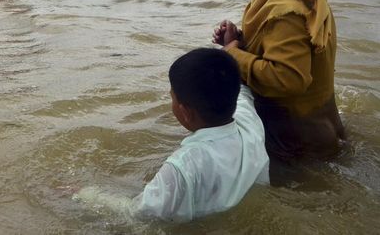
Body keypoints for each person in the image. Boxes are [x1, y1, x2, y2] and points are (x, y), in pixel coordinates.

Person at [212, 0, 346, 171]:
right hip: (323, 131)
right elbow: (299, 57)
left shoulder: (285, 12)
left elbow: (287, 79)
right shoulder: (312, 1)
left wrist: (232, 54)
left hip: (296, 144)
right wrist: (241, 41)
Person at [76, 48, 269, 222]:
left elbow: (139, 213)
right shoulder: (249, 121)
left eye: (172, 97)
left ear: (185, 112)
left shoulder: (183, 165)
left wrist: (85, 194)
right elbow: (242, 91)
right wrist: (231, 48)